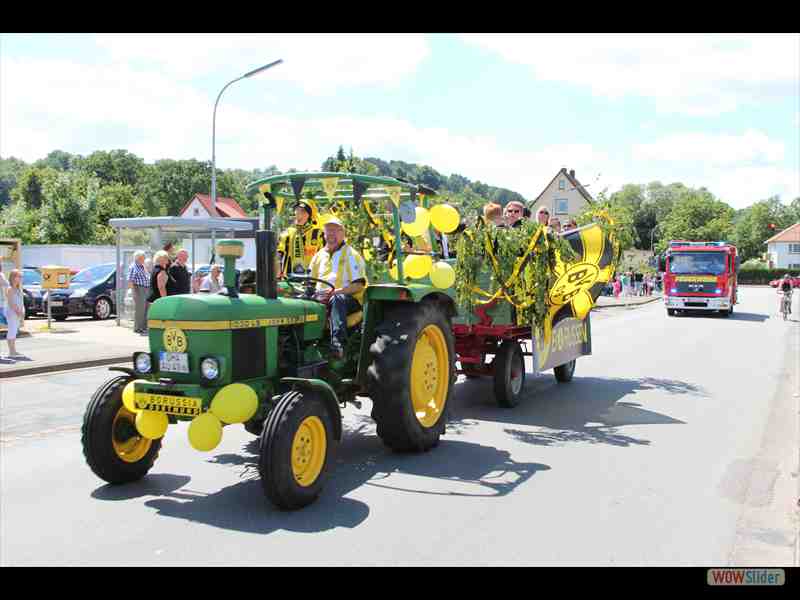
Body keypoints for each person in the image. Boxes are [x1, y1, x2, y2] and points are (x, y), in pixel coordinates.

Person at [309, 217, 368, 360]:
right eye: (328, 231)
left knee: (337, 299)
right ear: (324, 235)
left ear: (343, 234)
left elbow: (358, 285)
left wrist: (335, 292)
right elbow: (309, 282)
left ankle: (337, 344)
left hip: (348, 300)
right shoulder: (318, 256)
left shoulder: (352, 255)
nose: (331, 235)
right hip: (321, 298)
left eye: (335, 231)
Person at [278, 200, 324, 277]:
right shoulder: (287, 232)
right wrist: (278, 269)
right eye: (296, 210)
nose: (298, 213)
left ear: (309, 215)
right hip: (289, 279)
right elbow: (279, 253)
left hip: (313, 279)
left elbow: (326, 256)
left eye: (303, 211)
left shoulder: (319, 233)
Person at [127, 251, 151, 335]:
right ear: (138, 258)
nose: (144, 259)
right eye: (143, 258)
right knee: (140, 309)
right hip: (139, 289)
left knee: (146, 309)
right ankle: (138, 328)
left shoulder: (142, 266)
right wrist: (133, 292)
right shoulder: (133, 267)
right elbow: (130, 280)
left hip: (146, 289)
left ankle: (144, 327)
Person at [4, 269, 25, 358]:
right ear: (13, 277)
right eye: (19, 276)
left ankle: (14, 351)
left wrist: (22, 311)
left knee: (14, 331)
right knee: (12, 331)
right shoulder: (10, 289)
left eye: (21, 276)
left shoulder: (18, 289)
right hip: (12, 312)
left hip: (17, 312)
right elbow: (11, 303)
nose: (20, 278)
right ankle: (11, 352)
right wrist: (18, 311)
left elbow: (20, 302)